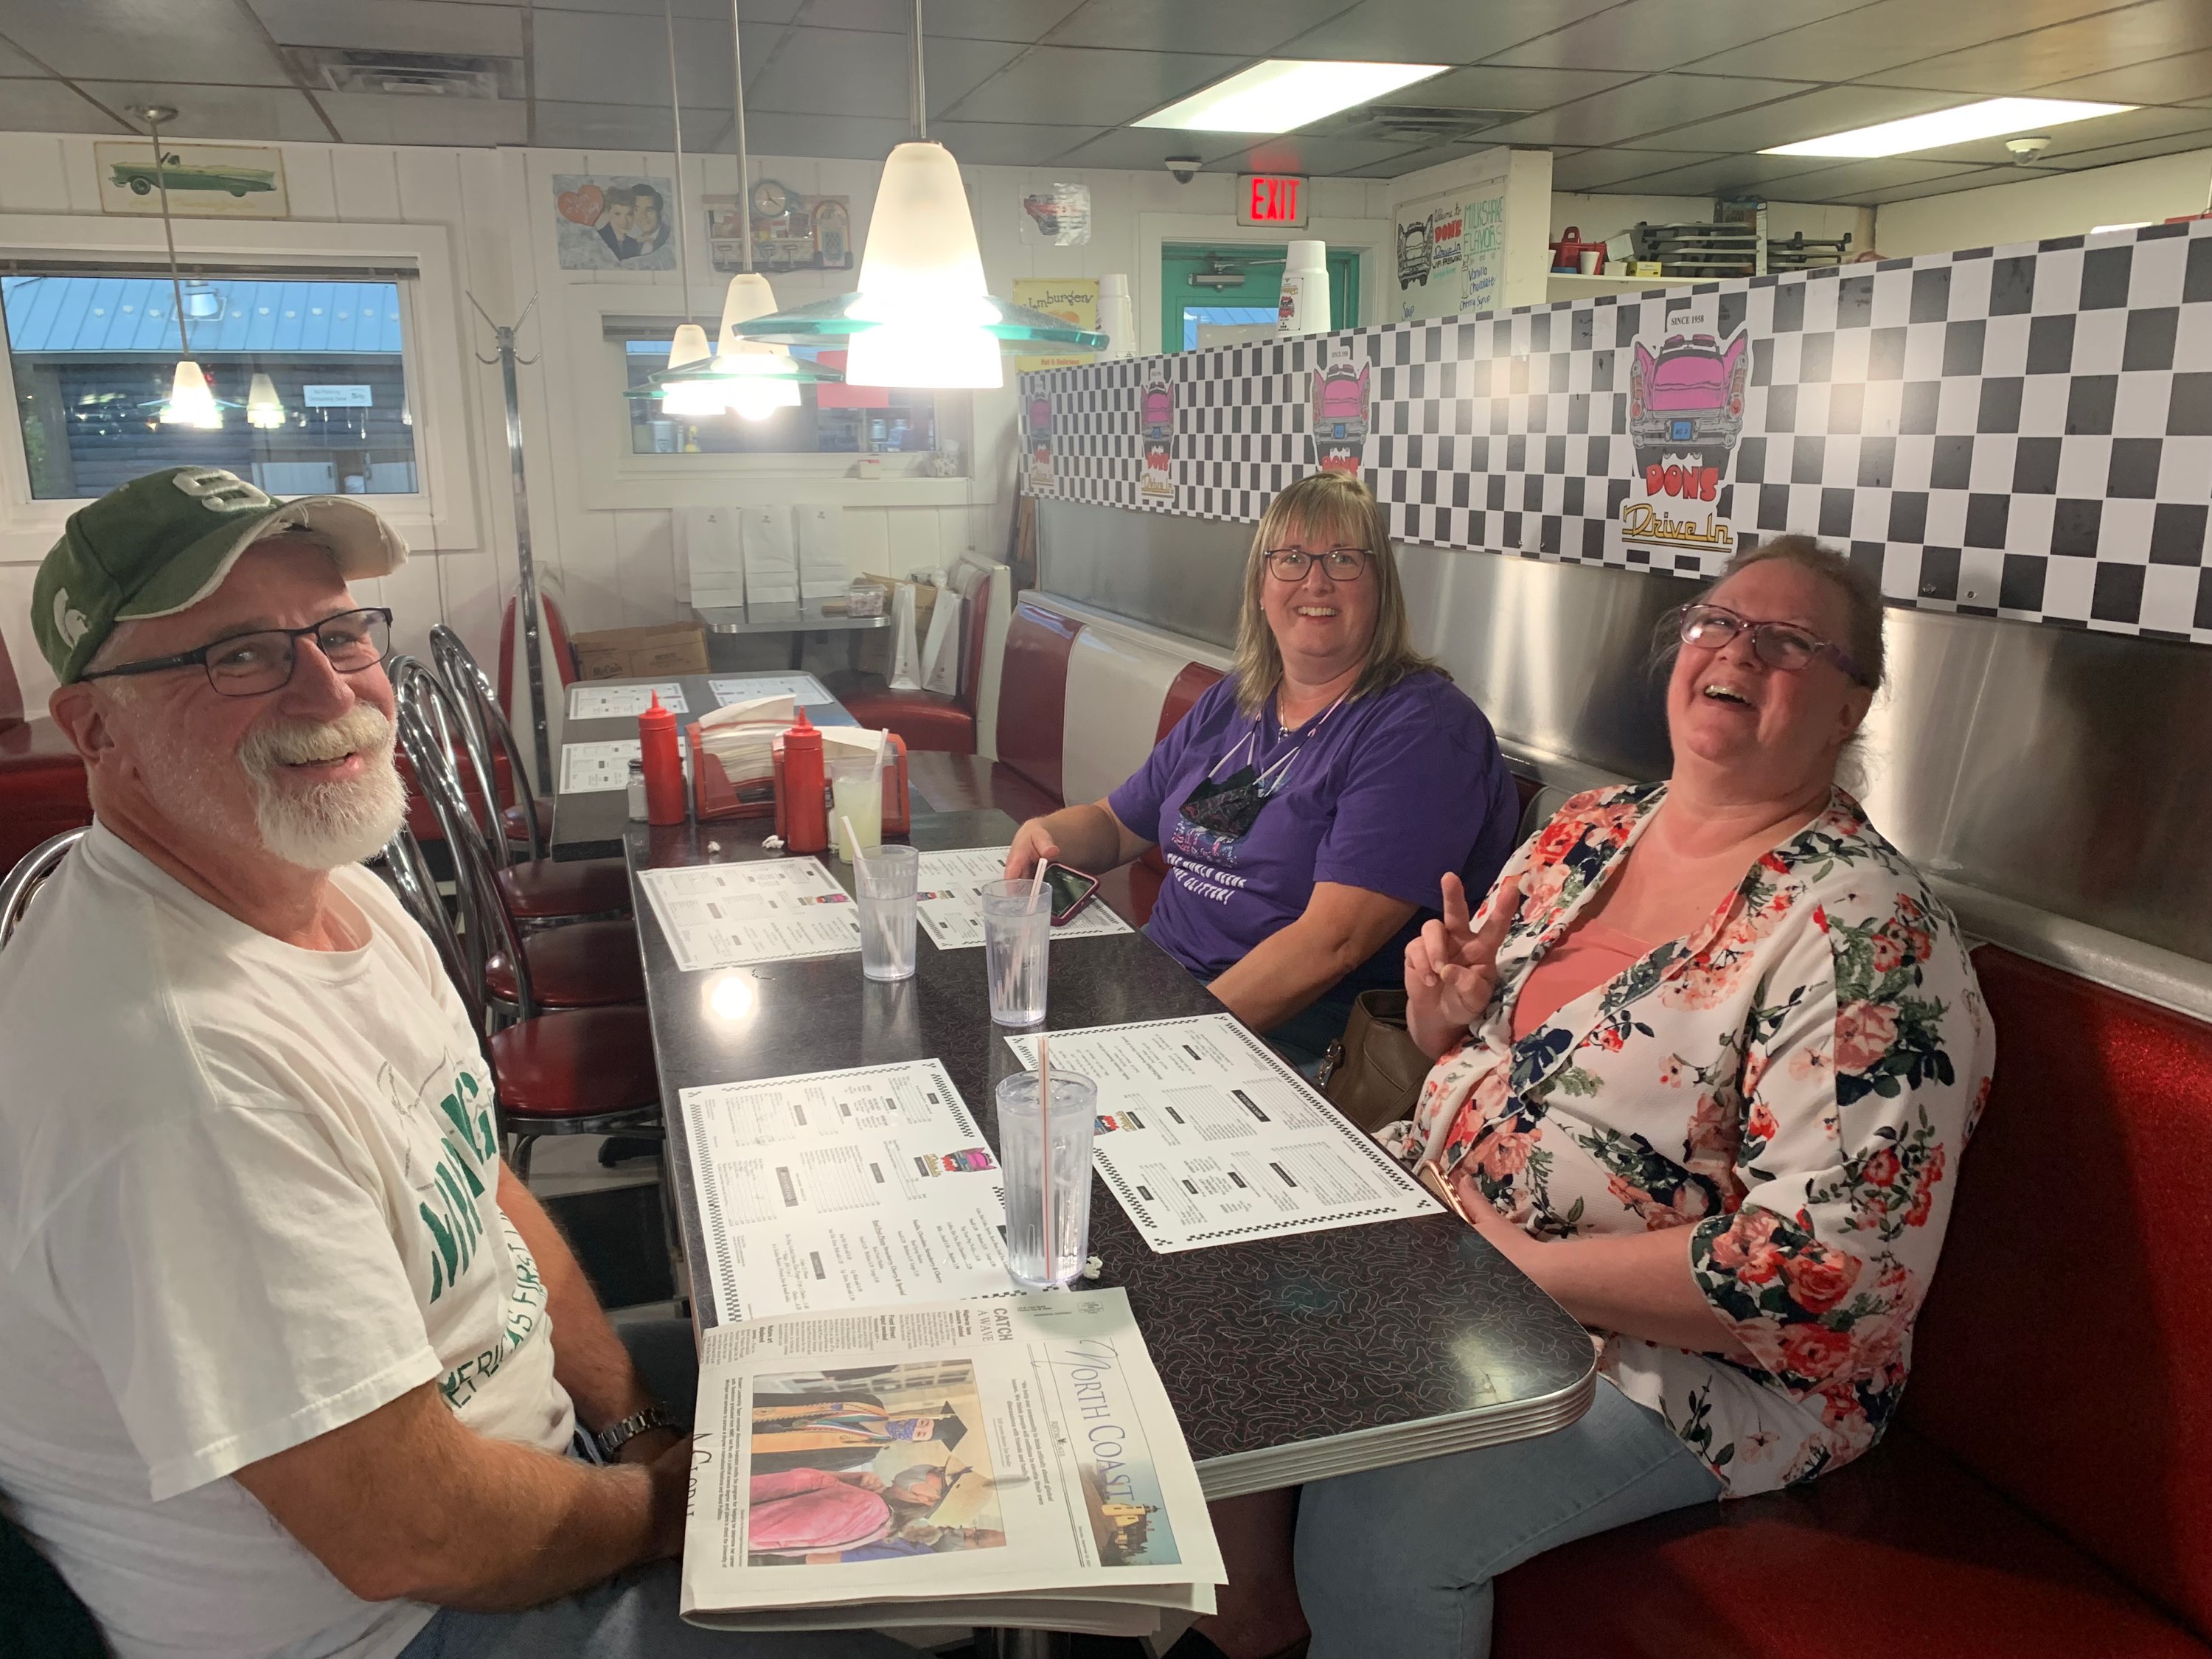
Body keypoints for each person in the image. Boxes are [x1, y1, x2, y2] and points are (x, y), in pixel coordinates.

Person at [0, 467, 899, 1659]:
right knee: (889, 1599)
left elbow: (480, 1187)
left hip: (514, 1461)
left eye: (334, 631)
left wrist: (632, 1423)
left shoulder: (336, 903)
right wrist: (688, 1508)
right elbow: (412, 1534)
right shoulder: (172, 1076)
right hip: (402, 1622)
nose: (326, 688)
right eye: (236, 656)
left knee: (883, 1368)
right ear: (96, 728)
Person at [1191, 535, 1995, 1659]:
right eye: (1715, 621)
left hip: (1691, 1363)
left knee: (1386, 1518)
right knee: (1198, 1288)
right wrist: (1442, 1011)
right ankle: (1255, 1626)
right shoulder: (1592, 828)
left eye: (1789, 641)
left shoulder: (1867, 933)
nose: (1737, 649)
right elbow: (1471, 1046)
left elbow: (1835, 1271)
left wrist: (1510, 1274)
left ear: (1852, 705)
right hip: (1451, 1244)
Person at [1005, 471, 1518, 1068]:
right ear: (1260, 583)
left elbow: (1333, 944)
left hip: (1284, 1047)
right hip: (1157, 990)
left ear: (1381, 585)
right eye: (1292, 558)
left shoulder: (1423, 730)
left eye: (1344, 559)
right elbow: (1117, 824)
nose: (1316, 581)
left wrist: (1167, 1041)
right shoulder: (1236, 697)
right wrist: (1046, 836)